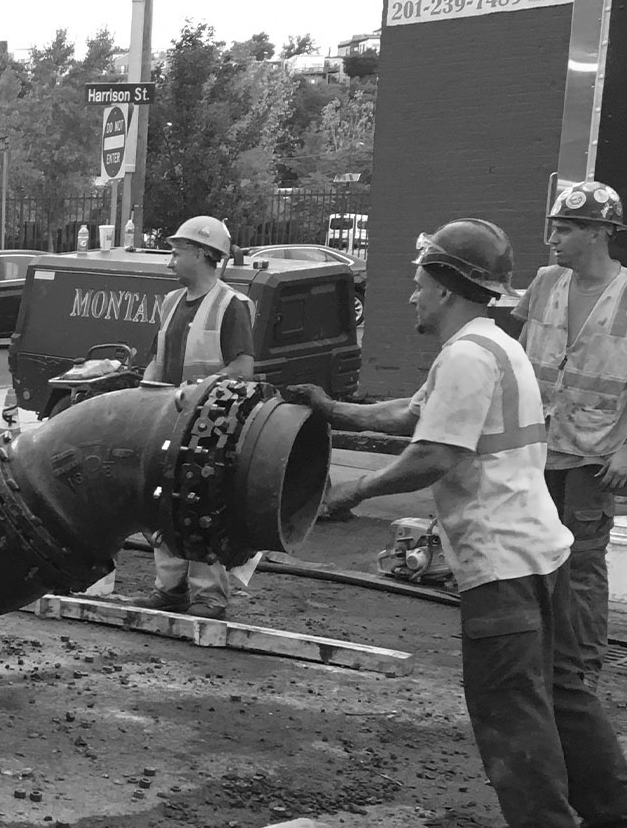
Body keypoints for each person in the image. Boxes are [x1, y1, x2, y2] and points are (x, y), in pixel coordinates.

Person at [282, 218, 627, 827]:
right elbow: (414, 414)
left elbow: (435, 454)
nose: (412, 296)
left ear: (445, 289)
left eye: (419, 284)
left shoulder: (468, 357)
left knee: (509, 709)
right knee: (564, 697)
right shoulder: (493, 345)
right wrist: (333, 410)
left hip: (501, 564)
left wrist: (349, 492)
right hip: (541, 553)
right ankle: (611, 811)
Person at [515, 180, 627, 691]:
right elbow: (520, 358)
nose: (552, 239)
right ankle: (542, 657)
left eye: (563, 229)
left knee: (581, 563)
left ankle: (582, 671)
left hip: (593, 453)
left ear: (598, 233)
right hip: (536, 446)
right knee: (533, 554)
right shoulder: (545, 283)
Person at [123, 215, 255, 620]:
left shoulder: (231, 305)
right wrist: (144, 399)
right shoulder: (171, 302)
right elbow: (157, 360)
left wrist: (199, 390)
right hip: (169, 421)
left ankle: (208, 596)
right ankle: (170, 589)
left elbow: (243, 368)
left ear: (201, 254)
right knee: (163, 503)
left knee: (203, 507)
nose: (170, 261)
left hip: (211, 428)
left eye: (177, 253)